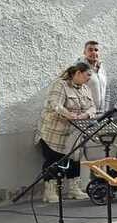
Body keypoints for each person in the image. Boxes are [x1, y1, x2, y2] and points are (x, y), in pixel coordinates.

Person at [36, 61, 96, 202]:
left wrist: (85, 115)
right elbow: (54, 104)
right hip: (54, 132)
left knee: (74, 159)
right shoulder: (60, 84)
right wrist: (69, 114)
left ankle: (74, 189)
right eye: (87, 75)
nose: (89, 78)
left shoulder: (85, 88)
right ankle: (50, 191)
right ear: (78, 73)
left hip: (73, 133)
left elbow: (92, 107)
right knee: (54, 159)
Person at [82, 40, 108, 114]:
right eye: (90, 50)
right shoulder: (81, 69)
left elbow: (107, 90)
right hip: (86, 113)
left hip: (101, 114)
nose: (94, 52)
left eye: (96, 50)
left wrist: (105, 110)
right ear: (84, 52)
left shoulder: (102, 69)